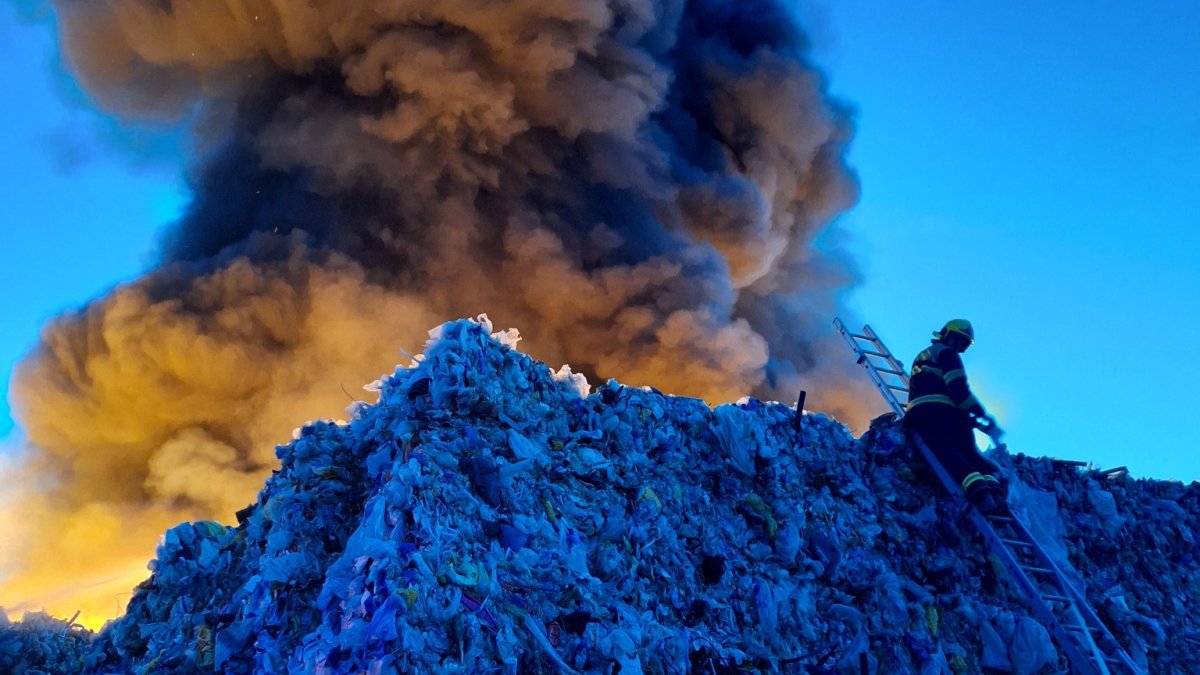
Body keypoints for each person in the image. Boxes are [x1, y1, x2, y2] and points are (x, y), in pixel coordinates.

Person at [903, 319, 1007, 513]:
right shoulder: (947, 354)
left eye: (962, 343)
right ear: (945, 335)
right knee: (960, 454)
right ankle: (988, 494)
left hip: (921, 414)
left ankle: (990, 491)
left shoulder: (924, 354)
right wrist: (980, 413)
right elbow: (958, 389)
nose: (957, 345)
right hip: (944, 415)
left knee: (953, 454)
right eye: (956, 340)